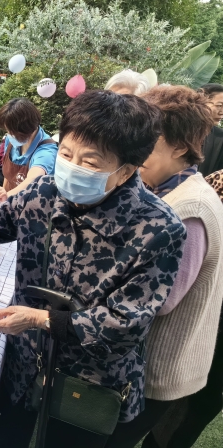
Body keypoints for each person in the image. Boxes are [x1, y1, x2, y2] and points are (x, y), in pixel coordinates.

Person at [0, 91, 186, 448]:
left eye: (90, 162)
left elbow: (126, 323)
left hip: (87, 380)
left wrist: (39, 319)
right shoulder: (45, 192)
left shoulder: (158, 228)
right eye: (66, 153)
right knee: (6, 436)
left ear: (125, 170)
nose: (73, 167)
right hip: (25, 361)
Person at [106, 86, 223, 447]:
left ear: (179, 147)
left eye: (148, 141)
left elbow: (162, 299)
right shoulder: (165, 190)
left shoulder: (189, 210)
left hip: (155, 369)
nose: (136, 151)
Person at [143, 169, 223, 448]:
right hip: (203, 309)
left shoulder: (199, 200)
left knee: (193, 410)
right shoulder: (213, 184)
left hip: (187, 334)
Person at [0, 98, 58, 202]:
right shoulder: (11, 139)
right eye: (8, 131)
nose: (9, 135)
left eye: (12, 132)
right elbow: (8, 175)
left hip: (30, 205)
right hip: (9, 202)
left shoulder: (46, 151)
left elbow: (32, 180)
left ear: (25, 130)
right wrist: (3, 193)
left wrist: (6, 196)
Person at [197, 83, 223, 176]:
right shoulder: (178, 129)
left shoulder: (220, 138)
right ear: (202, 102)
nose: (221, 112)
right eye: (219, 105)